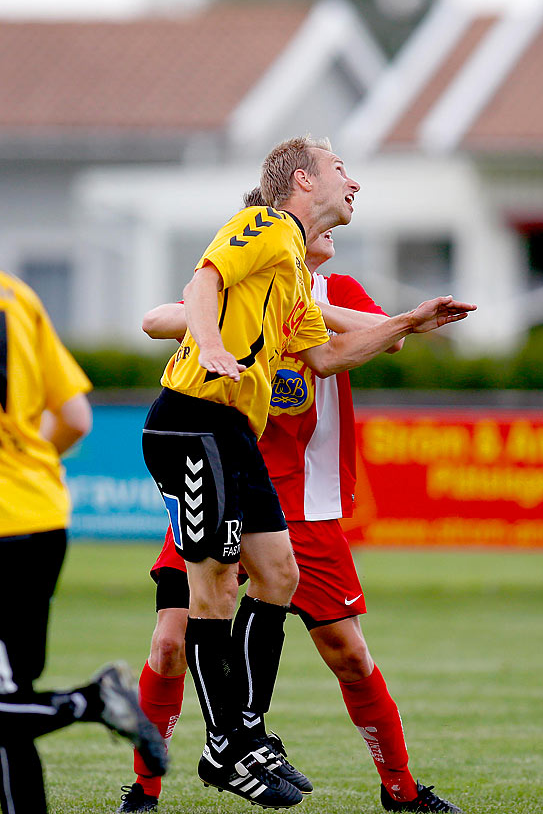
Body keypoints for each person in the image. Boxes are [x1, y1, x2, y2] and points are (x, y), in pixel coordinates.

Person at [141, 136, 474, 808]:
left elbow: (325, 351)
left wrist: (408, 319)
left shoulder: (300, 277)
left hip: (276, 477)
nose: (354, 185)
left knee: (306, 610)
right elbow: (183, 297)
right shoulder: (262, 235)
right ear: (299, 186)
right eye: (342, 171)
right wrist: (206, 334)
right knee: (184, 623)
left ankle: (271, 743)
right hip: (202, 432)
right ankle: (189, 764)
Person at [0, 268, 169, 813]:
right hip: (39, 516)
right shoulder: (15, 292)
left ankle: (89, 702)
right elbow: (74, 417)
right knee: (12, 703)